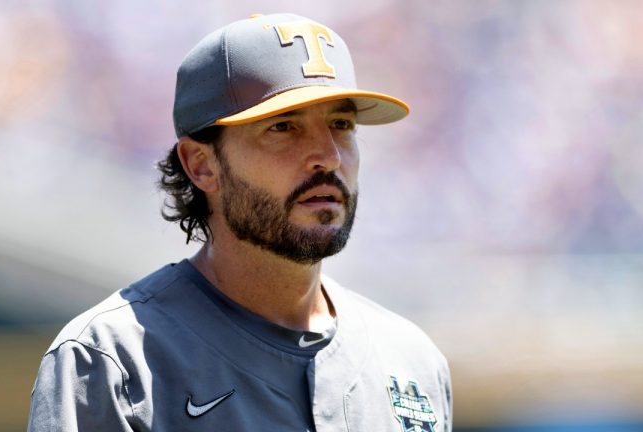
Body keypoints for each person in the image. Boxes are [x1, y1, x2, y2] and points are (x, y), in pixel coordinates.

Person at [28, 12, 452, 432]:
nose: (329, 155)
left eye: (341, 124)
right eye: (284, 126)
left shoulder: (413, 362)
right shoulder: (112, 360)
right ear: (201, 164)